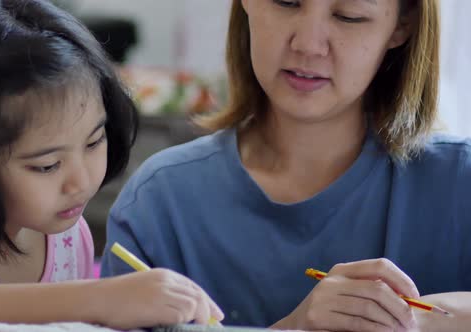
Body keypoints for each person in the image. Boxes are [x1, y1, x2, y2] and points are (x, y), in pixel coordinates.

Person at [101, 0, 471, 331]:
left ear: (402, 25)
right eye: (286, 2)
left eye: (349, 16)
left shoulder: (459, 182)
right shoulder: (159, 203)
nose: (308, 45)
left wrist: (414, 318)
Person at [0, 0, 224, 329]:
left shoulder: (65, 237)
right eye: (47, 165)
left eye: (94, 142)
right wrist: (101, 298)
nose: (80, 182)